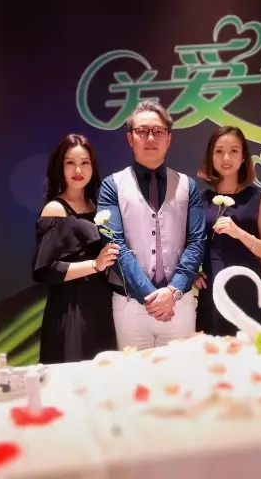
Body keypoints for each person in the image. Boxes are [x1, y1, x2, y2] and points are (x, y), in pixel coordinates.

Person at [97, 100, 206, 350]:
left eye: (158, 131)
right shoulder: (112, 185)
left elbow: (197, 242)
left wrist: (172, 292)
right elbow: (115, 244)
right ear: (130, 138)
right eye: (142, 131)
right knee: (134, 372)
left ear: (169, 138)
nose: (150, 138)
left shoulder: (188, 186)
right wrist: (150, 297)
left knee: (179, 372)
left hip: (178, 302)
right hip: (130, 306)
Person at [32, 133, 119, 363]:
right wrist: (95, 264)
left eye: (84, 163)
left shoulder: (97, 206)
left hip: (101, 304)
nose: (78, 170)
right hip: (72, 308)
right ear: (60, 167)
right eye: (70, 162)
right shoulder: (55, 209)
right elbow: (45, 270)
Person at [194, 126, 261, 336]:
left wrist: (239, 233)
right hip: (212, 289)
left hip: (248, 287)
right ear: (211, 156)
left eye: (234, 151)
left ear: (243, 157)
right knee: (212, 351)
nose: (226, 158)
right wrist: (192, 273)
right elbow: (190, 246)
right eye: (219, 151)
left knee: (250, 351)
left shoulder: (259, 197)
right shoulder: (199, 200)